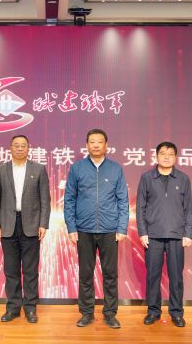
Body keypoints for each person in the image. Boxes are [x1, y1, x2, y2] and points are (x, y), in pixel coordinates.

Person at [64, 128, 129, 329]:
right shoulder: (77, 168)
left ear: (106, 145)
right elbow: (69, 199)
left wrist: (122, 227)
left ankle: (110, 313)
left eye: (100, 142)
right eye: (92, 142)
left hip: (110, 230)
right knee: (85, 274)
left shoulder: (116, 169)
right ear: (87, 145)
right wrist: (71, 227)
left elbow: (123, 200)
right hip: (84, 229)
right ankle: (86, 313)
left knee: (110, 274)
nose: (96, 145)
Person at [0, 135, 51, 323]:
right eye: (16, 145)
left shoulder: (38, 169)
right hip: (8, 225)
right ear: (10, 148)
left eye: (23, 145)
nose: (19, 148)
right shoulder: (1, 170)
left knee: (31, 270)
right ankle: (13, 308)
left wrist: (43, 224)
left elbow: (45, 200)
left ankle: (31, 308)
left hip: (31, 225)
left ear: (28, 148)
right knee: (11, 270)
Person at [136, 141, 192, 327]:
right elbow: (140, 208)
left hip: (176, 235)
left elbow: (189, 209)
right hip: (153, 235)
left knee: (176, 277)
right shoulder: (147, 178)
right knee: (153, 276)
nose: (166, 157)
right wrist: (143, 232)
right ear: (156, 156)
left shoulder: (183, 179)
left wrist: (188, 233)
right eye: (162, 153)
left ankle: (176, 312)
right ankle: (153, 311)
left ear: (175, 157)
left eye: (170, 154)